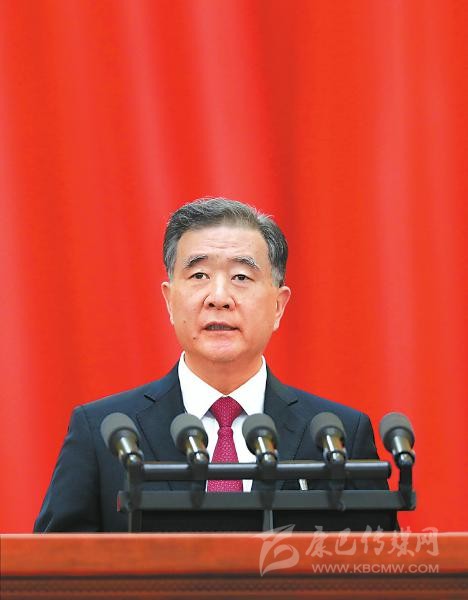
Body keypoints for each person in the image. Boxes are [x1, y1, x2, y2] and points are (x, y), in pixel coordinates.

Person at [34, 197, 397, 532]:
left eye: (241, 277)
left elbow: (379, 566)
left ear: (278, 306)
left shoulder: (338, 436)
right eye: (199, 276)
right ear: (169, 301)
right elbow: (54, 567)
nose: (219, 298)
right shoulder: (103, 433)